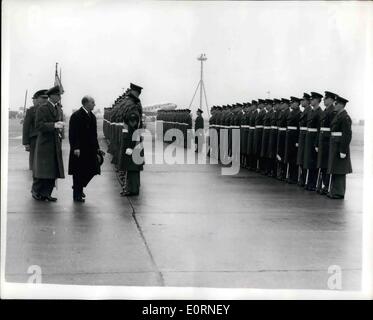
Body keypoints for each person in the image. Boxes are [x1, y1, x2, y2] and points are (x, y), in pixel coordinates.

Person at [32, 85, 65, 201]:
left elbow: (59, 121)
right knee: (42, 170)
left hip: (55, 142)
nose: (59, 97)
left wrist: (60, 128)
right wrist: (54, 125)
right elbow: (39, 125)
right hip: (45, 143)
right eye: (57, 95)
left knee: (52, 170)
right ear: (51, 96)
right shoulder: (43, 108)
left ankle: (47, 193)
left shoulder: (59, 109)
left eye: (59, 95)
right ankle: (36, 191)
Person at [68, 96, 104, 202]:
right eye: (93, 102)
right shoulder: (76, 116)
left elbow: (94, 134)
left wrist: (97, 148)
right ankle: (77, 194)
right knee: (78, 172)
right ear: (86, 103)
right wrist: (75, 148)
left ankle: (78, 187)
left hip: (90, 149)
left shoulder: (92, 116)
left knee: (93, 169)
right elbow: (73, 134)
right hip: (79, 149)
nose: (94, 104)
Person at [327, 96, 352, 199]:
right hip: (335, 145)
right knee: (335, 169)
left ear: (341, 105)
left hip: (340, 146)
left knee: (340, 170)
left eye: (336, 103)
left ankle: (339, 192)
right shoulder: (338, 115)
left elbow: (347, 135)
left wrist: (343, 150)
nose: (335, 105)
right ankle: (334, 191)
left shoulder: (345, 117)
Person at [315, 91, 337, 194]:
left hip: (328, 142)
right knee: (323, 165)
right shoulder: (325, 111)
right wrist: (317, 143)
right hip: (322, 141)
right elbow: (320, 129)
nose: (324, 100)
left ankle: (327, 186)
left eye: (326, 98)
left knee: (327, 165)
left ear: (332, 100)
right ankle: (324, 185)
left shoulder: (333, 112)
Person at [22, 89, 48, 170]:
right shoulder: (31, 111)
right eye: (43, 98)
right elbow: (26, 127)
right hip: (35, 139)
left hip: (47, 139)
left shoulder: (50, 109)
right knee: (34, 163)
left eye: (46, 98)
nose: (45, 100)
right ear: (38, 99)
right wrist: (26, 143)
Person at [120, 110, 144, 196]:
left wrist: (131, 147)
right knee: (131, 170)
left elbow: (134, 135)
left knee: (133, 170)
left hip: (134, 149)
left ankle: (132, 190)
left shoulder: (132, 117)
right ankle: (131, 189)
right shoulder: (131, 116)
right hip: (134, 148)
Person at [303, 91, 323, 191]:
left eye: (313, 99)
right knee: (309, 161)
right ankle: (309, 182)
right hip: (309, 138)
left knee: (313, 162)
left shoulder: (320, 112)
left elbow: (319, 130)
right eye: (310, 99)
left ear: (318, 101)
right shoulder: (311, 111)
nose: (311, 101)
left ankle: (312, 183)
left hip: (314, 138)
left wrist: (316, 143)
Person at [284, 96, 301, 183]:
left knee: (294, 158)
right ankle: (290, 176)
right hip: (289, 136)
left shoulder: (299, 113)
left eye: (293, 102)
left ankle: (294, 177)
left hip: (294, 137)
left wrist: (297, 140)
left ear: (297, 104)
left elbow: (299, 128)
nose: (291, 103)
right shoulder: (292, 112)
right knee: (290, 157)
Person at [296, 93, 312, 186]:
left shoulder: (309, 111)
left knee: (305, 160)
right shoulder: (305, 111)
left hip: (306, 137)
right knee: (301, 159)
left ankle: (304, 179)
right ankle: (302, 178)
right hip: (302, 137)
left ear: (308, 101)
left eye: (303, 100)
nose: (301, 102)